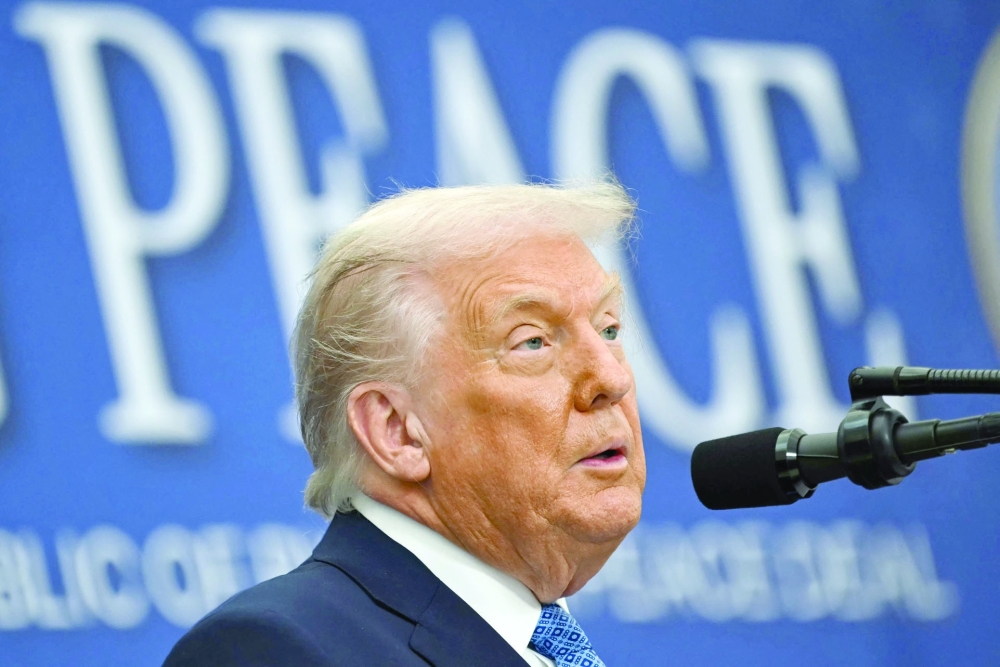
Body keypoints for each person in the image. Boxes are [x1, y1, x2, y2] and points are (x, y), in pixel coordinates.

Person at [163, 181, 646, 667]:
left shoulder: (538, 643)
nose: (611, 376)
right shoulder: (274, 652)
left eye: (608, 329)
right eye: (533, 341)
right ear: (397, 431)